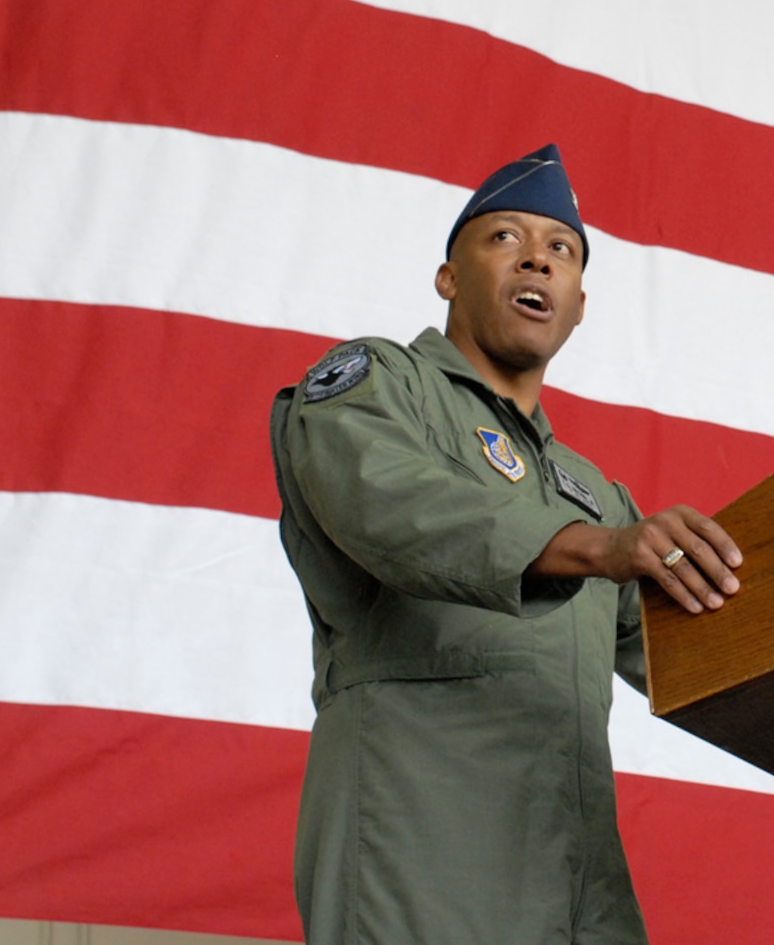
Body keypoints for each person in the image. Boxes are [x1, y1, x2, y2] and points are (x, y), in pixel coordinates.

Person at [269, 144, 743, 945]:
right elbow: (390, 502)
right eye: (505, 238)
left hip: (575, 877)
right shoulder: (379, 383)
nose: (537, 258)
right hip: (418, 854)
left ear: (580, 302)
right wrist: (600, 549)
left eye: (561, 249)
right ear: (447, 276)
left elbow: (707, 649)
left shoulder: (590, 492)